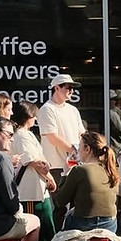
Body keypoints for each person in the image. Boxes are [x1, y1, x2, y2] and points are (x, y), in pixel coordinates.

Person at [38, 73, 86, 232]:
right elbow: (52, 137)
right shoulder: (47, 109)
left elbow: (81, 133)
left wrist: (81, 151)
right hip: (56, 166)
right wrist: (74, 150)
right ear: (56, 88)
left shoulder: (73, 110)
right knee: (60, 207)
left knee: (76, 205)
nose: (71, 91)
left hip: (74, 164)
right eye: (67, 87)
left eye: (72, 88)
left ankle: (71, 240)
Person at [10, 101, 57, 241]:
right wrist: (49, 177)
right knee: (35, 229)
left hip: (37, 189)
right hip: (30, 191)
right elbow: (34, 161)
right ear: (27, 117)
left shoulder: (26, 134)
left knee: (45, 227)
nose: (35, 119)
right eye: (33, 116)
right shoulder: (21, 135)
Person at [54, 131, 120, 233]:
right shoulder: (110, 169)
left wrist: (65, 174)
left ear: (87, 149)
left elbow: (60, 201)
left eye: (79, 148)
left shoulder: (80, 170)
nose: (78, 151)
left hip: (84, 223)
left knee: (64, 222)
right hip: (110, 223)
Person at [108, 90, 121, 157]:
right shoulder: (111, 114)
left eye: (115, 99)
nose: (114, 102)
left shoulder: (116, 113)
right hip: (115, 147)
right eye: (112, 99)